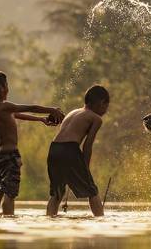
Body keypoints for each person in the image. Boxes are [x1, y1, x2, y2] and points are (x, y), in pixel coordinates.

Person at [0, 70, 64, 215]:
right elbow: (31, 107)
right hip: (10, 154)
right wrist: (52, 110)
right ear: (1, 88)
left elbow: (15, 114)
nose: (8, 89)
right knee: (10, 193)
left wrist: (40, 119)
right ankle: (8, 219)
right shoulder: (5, 106)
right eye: (6, 85)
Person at [46, 85, 109, 217]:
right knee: (92, 190)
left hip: (54, 149)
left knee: (56, 192)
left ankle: (50, 219)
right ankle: (100, 219)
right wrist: (85, 168)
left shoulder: (73, 112)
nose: (105, 111)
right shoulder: (96, 119)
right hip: (69, 149)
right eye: (106, 107)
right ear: (101, 103)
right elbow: (87, 145)